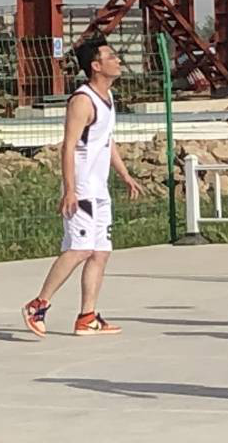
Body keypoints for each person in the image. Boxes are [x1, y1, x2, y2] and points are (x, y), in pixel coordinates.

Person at [21, 38, 141, 337]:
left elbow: (106, 140)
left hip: (100, 188)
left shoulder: (108, 97)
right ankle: (38, 304)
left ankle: (87, 316)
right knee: (79, 249)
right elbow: (69, 146)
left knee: (100, 252)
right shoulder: (82, 101)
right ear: (96, 66)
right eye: (111, 56)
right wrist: (70, 189)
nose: (118, 60)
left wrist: (125, 174)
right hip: (83, 187)